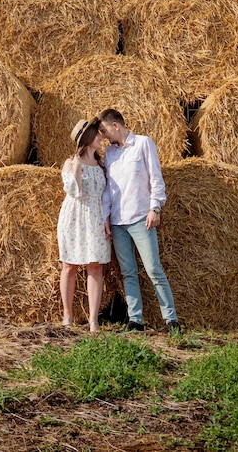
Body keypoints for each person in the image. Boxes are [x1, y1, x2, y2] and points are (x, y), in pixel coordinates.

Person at [98, 108, 181, 336]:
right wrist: (106, 217)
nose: (103, 136)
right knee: (128, 272)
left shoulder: (144, 144)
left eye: (104, 130)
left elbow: (156, 178)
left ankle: (171, 319)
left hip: (140, 219)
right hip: (118, 221)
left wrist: (155, 208)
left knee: (154, 269)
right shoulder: (110, 154)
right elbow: (108, 190)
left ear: (116, 125)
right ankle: (136, 320)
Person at [57, 117, 111, 334]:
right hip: (74, 217)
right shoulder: (70, 163)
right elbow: (72, 189)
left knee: (95, 266)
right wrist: (78, 166)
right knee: (69, 266)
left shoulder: (101, 165)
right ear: (87, 138)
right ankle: (67, 315)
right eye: (97, 133)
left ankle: (93, 321)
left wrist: (107, 219)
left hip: (96, 217)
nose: (101, 136)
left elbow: (106, 195)